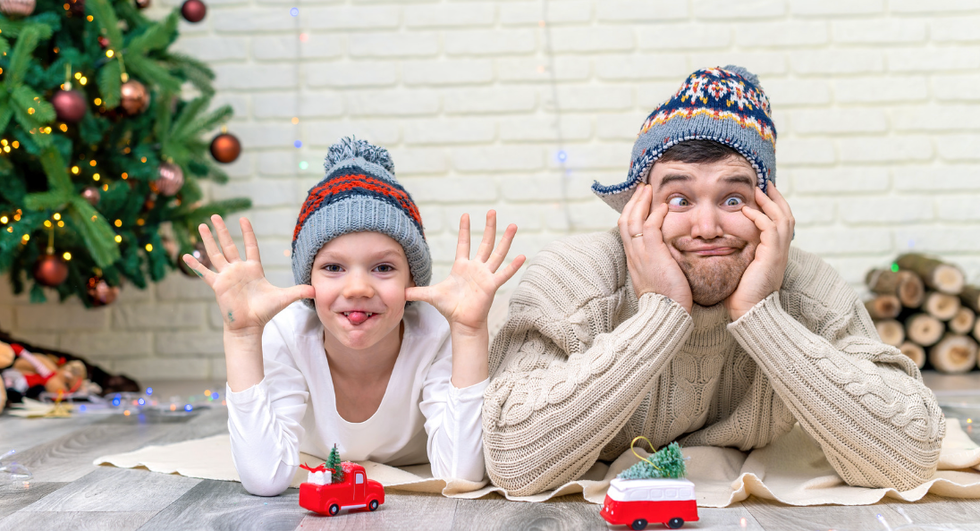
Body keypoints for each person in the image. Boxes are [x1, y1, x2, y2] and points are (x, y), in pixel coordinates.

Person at [482, 66, 945, 496]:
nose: (706, 227)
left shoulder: (810, 289)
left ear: (770, 211)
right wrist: (661, 314)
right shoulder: (573, 278)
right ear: (637, 211)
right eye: (680, 199)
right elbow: (513, 463)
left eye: (733, 199)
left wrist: (761, 317)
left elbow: (911, 459)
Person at [184, 137, 524, 496]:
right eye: (333, 267)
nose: (358, 288)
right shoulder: (286, 334)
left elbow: (460, 474)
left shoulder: (438, 335)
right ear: (308, 279)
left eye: (382, 267)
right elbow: (264, 477)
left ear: (412, 278)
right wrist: (241, 338)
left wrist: (469, 333)